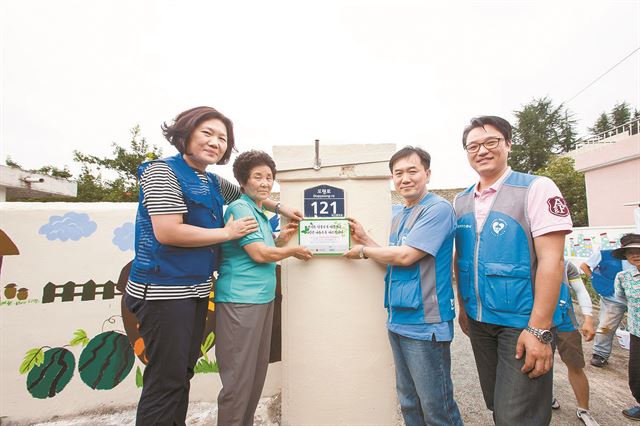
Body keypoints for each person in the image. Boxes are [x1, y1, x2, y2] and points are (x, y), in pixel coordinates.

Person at [124, 107, 301, 426]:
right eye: (207, 133)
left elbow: (249, 192)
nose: (215, 142)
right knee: (165, 380)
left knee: (181, 375)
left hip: (194, 290)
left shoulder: (211, 181)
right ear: (185, 133)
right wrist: (227, 232)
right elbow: (167, 231)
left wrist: (281, 205)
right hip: (162, 291)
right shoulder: (161, 172)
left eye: (222, 138)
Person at [454, 116, 572, 425]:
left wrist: (539, 331)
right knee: (498, 405)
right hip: (480, 322)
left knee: (517, 417)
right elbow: (461, 259)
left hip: (522, 323)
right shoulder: (461, 200)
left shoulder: (536, 187)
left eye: (491, 142)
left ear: (508, 144)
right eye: (473, 146)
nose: (482, 150)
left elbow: (552, 261)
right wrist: (464, 309)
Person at [344, 146, 463, 426]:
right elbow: (393, 257)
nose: (405, 178)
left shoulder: (438, 209)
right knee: (409, 403)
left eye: (412, 171)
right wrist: (367, 239)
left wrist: (362, 250)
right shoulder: (399, 214)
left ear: (427, 173)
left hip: (426, 324)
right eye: (398, 173)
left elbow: (407, 255)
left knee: (437, 408)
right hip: (398, 319)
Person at [215, 150, 313, 426]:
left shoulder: (257, 211)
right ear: (243, 182)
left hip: (261, 300)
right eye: (258, 176)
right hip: (240, 301)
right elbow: (258, 253)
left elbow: (264, 247)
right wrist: (292, 250)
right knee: (238, 381)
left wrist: (280, 240)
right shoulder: (240, 208)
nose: (265, 182)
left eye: (269, 177)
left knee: (255, 377)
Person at [552, 261, 599, 426]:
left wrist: (588, 318)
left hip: (565, 321)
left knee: (575, 364)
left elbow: (580, 290)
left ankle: (584, 409)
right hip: (535, 322)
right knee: (538, 363)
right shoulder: (525, 258)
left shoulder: (566, 266)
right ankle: (544, 396)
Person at [579, 248, 629, 367]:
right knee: (606, 326)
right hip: (612, 298)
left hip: (635, 299)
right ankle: (600, 354)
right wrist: (595, 279)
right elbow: (584, 265)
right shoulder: (604, 254)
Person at [612, 233, 640, 421]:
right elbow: (621, 299)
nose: (635, 255)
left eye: (638, 251)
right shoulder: (624, 277)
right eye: (630, 252)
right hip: (637, 332)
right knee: (636, 372)